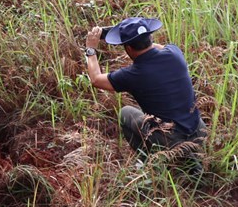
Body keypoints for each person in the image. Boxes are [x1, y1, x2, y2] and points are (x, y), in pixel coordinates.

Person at [84, 17, 207, 158]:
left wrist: (90, 49)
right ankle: (192, 157)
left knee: (126, 113)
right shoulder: (175, 53)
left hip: (172, 142)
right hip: (199, 133)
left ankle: (150, 160)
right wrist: (138, 36)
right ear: (150, 37)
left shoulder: (133, 74)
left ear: (128, 48)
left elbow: (96, 79)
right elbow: (156, 47)